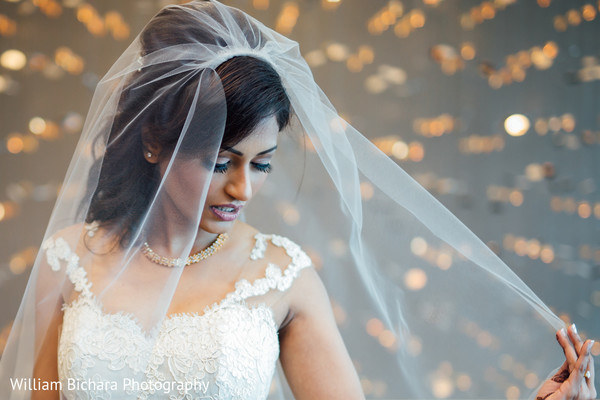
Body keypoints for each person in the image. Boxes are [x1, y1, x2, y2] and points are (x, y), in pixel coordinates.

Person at [0, 1, 596, 399]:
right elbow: (33, 392)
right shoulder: (68, 260)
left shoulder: (281, 275)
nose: (243, 189)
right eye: (219, 162)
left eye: (262, 164)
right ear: (154, 142)